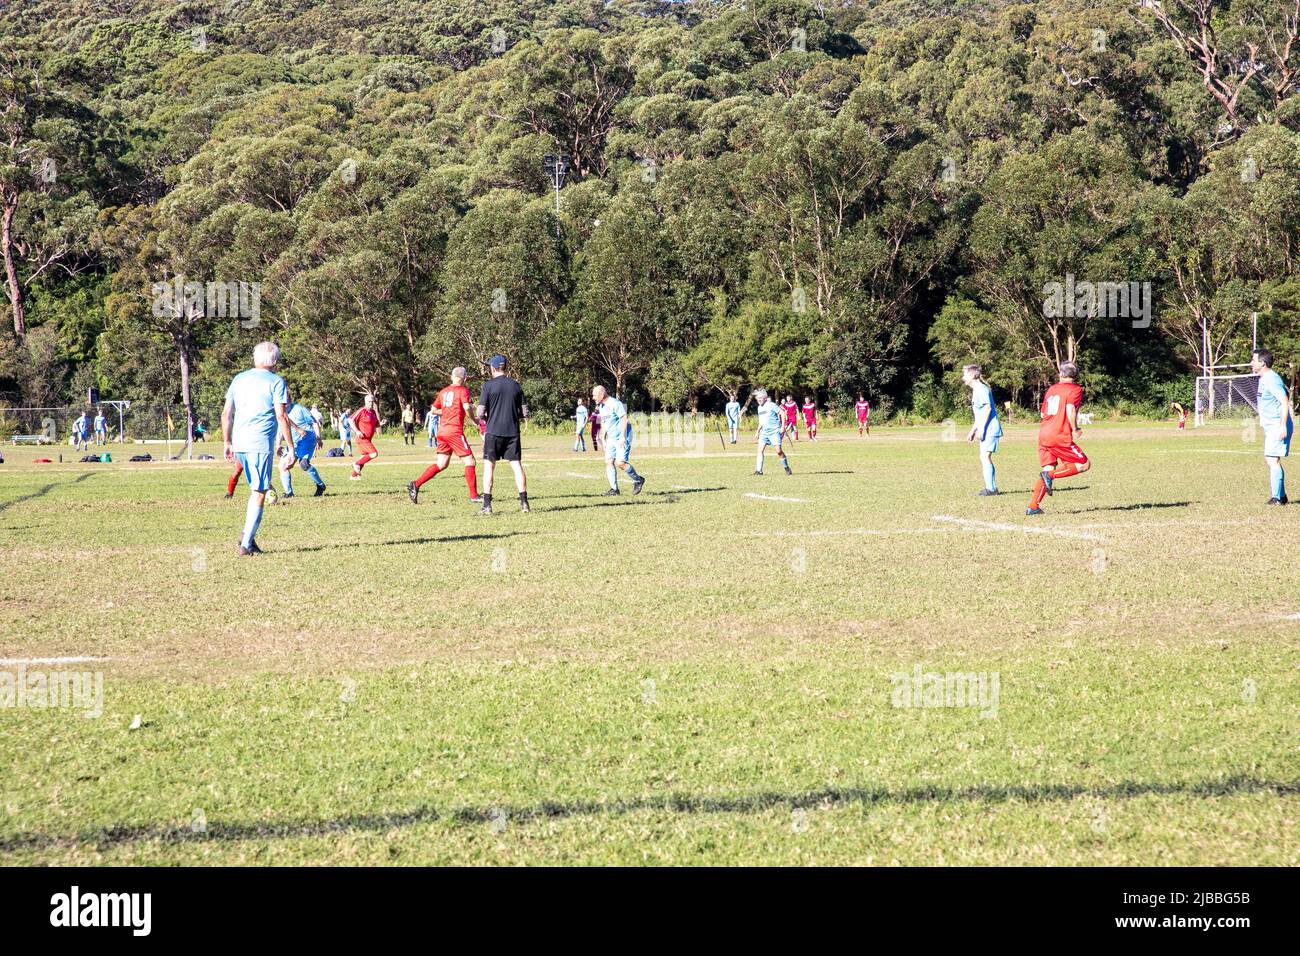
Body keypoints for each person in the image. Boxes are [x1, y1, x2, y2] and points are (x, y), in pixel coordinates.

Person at [222, 341, 293, 555]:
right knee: (260, 492)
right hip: (259, 442)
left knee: (256, 489)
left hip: (240, 442)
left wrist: (227, 441)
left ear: (255, 358)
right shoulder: (276, 381)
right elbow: (281, 415)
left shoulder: (239, 378)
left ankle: (246, 536)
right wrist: (290, 447)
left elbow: (227, 413)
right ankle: (246, 544)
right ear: (276, 361)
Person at [408, 367, 480, 505]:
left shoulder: (443, 391)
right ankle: (474, 496)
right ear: (464, 378)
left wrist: (447, 412)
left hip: (442, 431)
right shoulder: (463, 390)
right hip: (454, 431)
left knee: (441, 464)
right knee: (470, 462)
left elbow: (434, 410)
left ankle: (415, 484)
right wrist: (474, 420)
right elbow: (467, 407)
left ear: (452, 377)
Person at [1027, 362, 1089, 516]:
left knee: (1048, 467)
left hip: (1043, 434)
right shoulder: (1075, 389)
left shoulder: (1052, 389)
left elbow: (1042, 414)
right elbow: (1070, 409)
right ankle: (1049, 476)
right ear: (1075, 375)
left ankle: (1033, 506)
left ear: (1061, 374)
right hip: (1058, 435)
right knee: (1084, 464)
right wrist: (1075, 428)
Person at [475, 355, 529, 515]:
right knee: (516, 466)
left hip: (493, 431)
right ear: (505, 367)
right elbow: (525, 411)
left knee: (489, 466)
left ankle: (487, 505)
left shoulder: (488, 386)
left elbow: (480, 412)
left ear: (492, 368)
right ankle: (524, 503)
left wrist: (484, 418)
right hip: (512, 431)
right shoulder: (516, 385)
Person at [1252, 348, 1293, 505]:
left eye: (1254, 360)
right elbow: (1285, 394)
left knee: (1272, 459)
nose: (1251, 362)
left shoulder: (1271, 378)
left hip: (1277, 425)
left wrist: (1282, 426)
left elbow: (1284, 400)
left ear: (1262, 363)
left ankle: (1277, 498)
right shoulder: (1265, 378)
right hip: (1272, 426)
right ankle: (1281, 496)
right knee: (1270, 459)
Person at [592, 385, 645, 495]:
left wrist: (622, 436)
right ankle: (614, 489)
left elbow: (624, 419)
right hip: (611, 438)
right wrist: (602, 436)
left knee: (620, 463)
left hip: (622, 436)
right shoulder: (601, 406)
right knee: (609, 461)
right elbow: (604, 422)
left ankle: (638, 480)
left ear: (602, 395)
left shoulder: (615, 403)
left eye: (594, 395)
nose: (593, 397)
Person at [963, 365, 1002, 496]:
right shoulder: (977, 389)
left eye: (965, 375)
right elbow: (979, 415)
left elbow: (987, 409)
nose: (963, 377)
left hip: (990, 428)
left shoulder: (981, 389)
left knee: (985, 456)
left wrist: (982, 429)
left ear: (973, 376)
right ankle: (991, 487)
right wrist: (972, 430)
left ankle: (991, 488)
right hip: (985, 428)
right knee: (984, 456)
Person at [279, 400, 326, 498]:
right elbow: (280, 431)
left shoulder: (300, 409)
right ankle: (289, 493)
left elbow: (314, 423)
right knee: (283, 466)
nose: (282, 403)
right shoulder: (280, 412)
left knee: (303, 464)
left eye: (284, 400)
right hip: (293, 443)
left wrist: (318, 438)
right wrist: (278, 445)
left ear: (289, 399)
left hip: (307, 440)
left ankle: (320, 485)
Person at [753, 389, 792, 476]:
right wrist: (757, 431)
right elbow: (761, 421)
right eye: (757, 398)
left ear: (765, 398)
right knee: (760, 450)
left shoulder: (771, 405)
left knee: (778, 451)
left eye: (760, 398)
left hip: (774, 431)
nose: (759, 400)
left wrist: (782, 426)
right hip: (764, 433)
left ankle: (786, 467)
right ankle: (759, 470)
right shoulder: (759, 408)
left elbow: (782, 413)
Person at [348, 395, 382, 480]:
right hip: (362, 439)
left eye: (372, 402)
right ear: (365, 402)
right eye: (369, 401)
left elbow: (376, 425)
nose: (371, 403)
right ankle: (356, 464)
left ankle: (353, 476)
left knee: (364, 457)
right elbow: (350, 419)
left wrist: (381, 424)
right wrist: (357, 431)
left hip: (368, 439)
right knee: (374, 454)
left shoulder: (373, 412)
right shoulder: (362, 411)